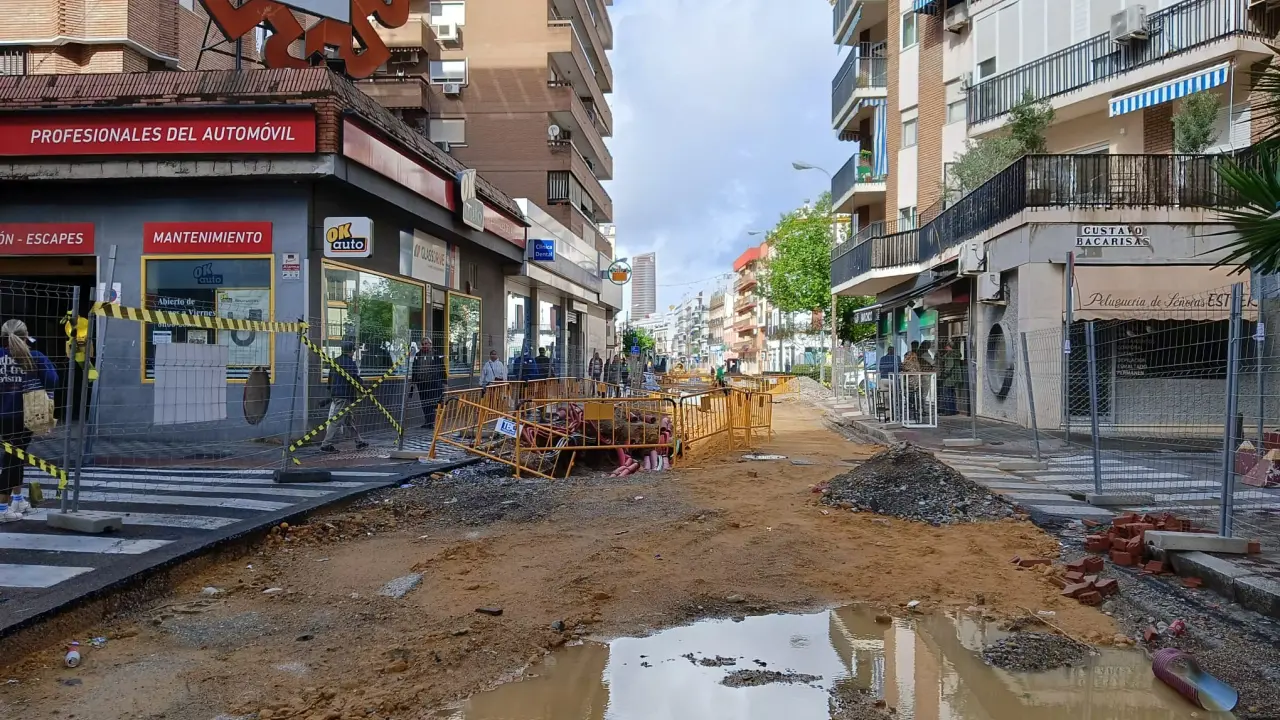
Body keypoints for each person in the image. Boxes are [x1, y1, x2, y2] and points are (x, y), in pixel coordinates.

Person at [0, 320, 58, 519]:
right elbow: (52, 380)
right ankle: (2, 508)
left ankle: (17, 500)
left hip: (2, 416)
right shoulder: (35, 357)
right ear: (26, 336)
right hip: (24, 416)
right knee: (12, 460)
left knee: (16, 456)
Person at [413, 339, 446, 428]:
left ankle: (432, 422)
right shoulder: (418, 355)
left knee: (433, 402)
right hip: (422, 383)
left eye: (426, 344)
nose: (424, 345)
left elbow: (442, 368)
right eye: (423, 344)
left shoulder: (436, 354)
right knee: (424, 403)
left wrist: (444, 381)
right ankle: (428, 422)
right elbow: (414, 368)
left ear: (430, 344)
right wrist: (414, 381)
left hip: (433, 382)